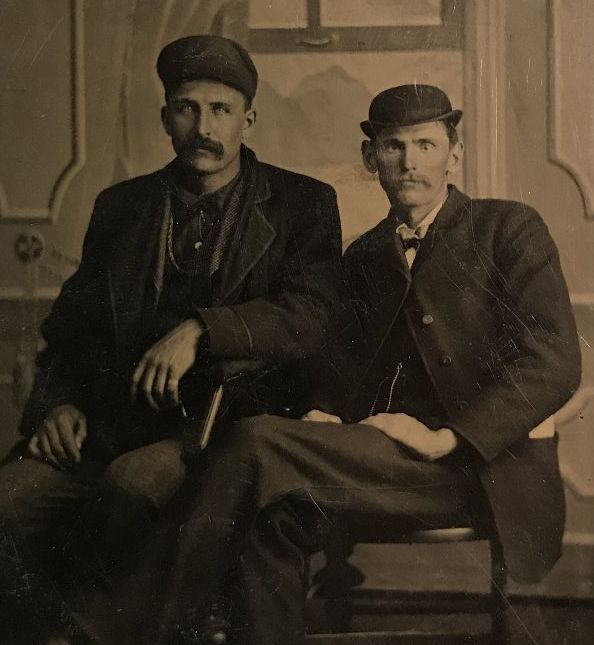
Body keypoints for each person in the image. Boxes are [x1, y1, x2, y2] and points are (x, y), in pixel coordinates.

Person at [136, 84, 581, 645]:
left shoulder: (509, 228)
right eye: (393, 147)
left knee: (255, 445)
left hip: (481, 470)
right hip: (385, 464)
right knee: (271, 510)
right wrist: (323, 409)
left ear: (455, 153)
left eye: (425, 144)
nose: (410, 161)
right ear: (371, 159)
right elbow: (337, 365)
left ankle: (140, 631)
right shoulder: (366, 254)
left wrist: (450, 438)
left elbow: (556, 361)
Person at [0, 35, 342, 645]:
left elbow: (312, 314)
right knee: (11, 498)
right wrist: (56, 406)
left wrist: (203, 329)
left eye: (221, 110)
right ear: (165, 118)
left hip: (221, 434)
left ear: (248, 119)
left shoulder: (302, 204)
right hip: (106, 427)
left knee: (132, 489)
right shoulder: (121, 208)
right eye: (186, 108)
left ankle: (108, 631)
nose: (202, 127)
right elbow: (70, 332)